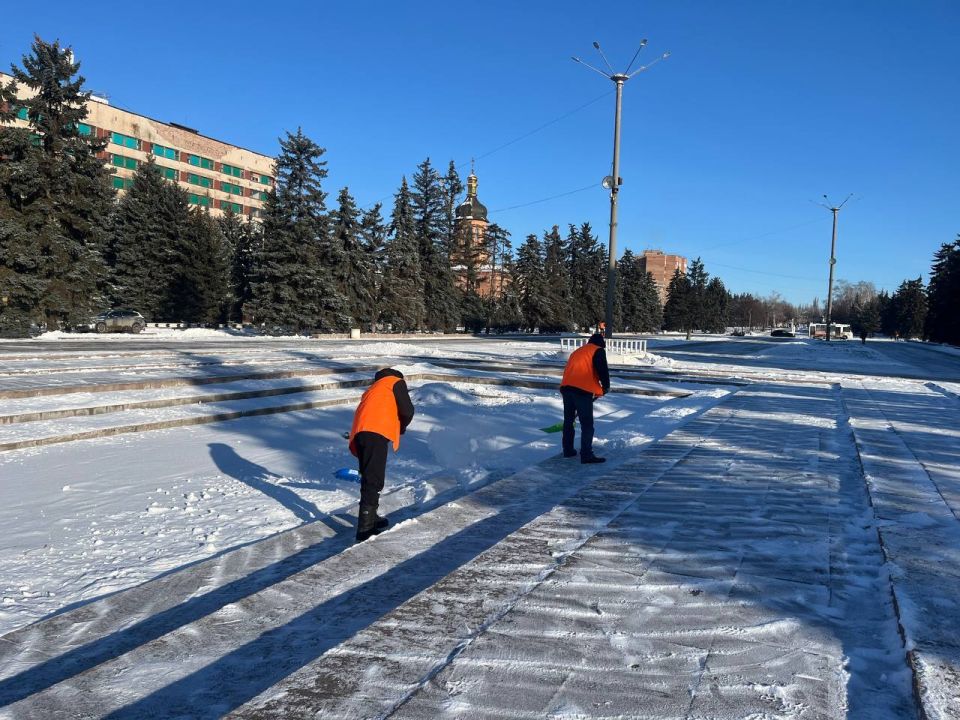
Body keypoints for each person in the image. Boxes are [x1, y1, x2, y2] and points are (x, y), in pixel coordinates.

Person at [348, 368, 415, 542]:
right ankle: (365, 528)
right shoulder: (395, 382)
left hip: (360, 433)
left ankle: (371, 516)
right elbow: (407, 410)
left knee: (369, 476)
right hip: (375, 432)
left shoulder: (373, 388)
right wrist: (402, 426)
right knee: (374, 478)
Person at [560, 333, 611, 464]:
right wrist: (606, 387)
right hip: (582, 391)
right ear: (601, 344)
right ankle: (586, 455)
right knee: (587, 424)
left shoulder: (579, 351)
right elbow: (602, 370)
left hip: (566, 388)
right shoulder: (597, 350)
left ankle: (568, 450)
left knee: (569, 421)